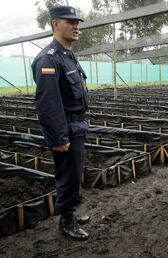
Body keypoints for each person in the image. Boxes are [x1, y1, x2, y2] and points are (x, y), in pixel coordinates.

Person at [32, 5, 90, 241]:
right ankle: (66, 221)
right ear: (55, 24)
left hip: (76, 126)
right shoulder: (48, 58)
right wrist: (58, 137)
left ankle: (71, 212)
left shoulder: (68, 54)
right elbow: (48, 103)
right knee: (68, 175)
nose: (76, 26)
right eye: (70, 22)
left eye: (77, 22)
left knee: (74, 173)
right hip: (66, 129)